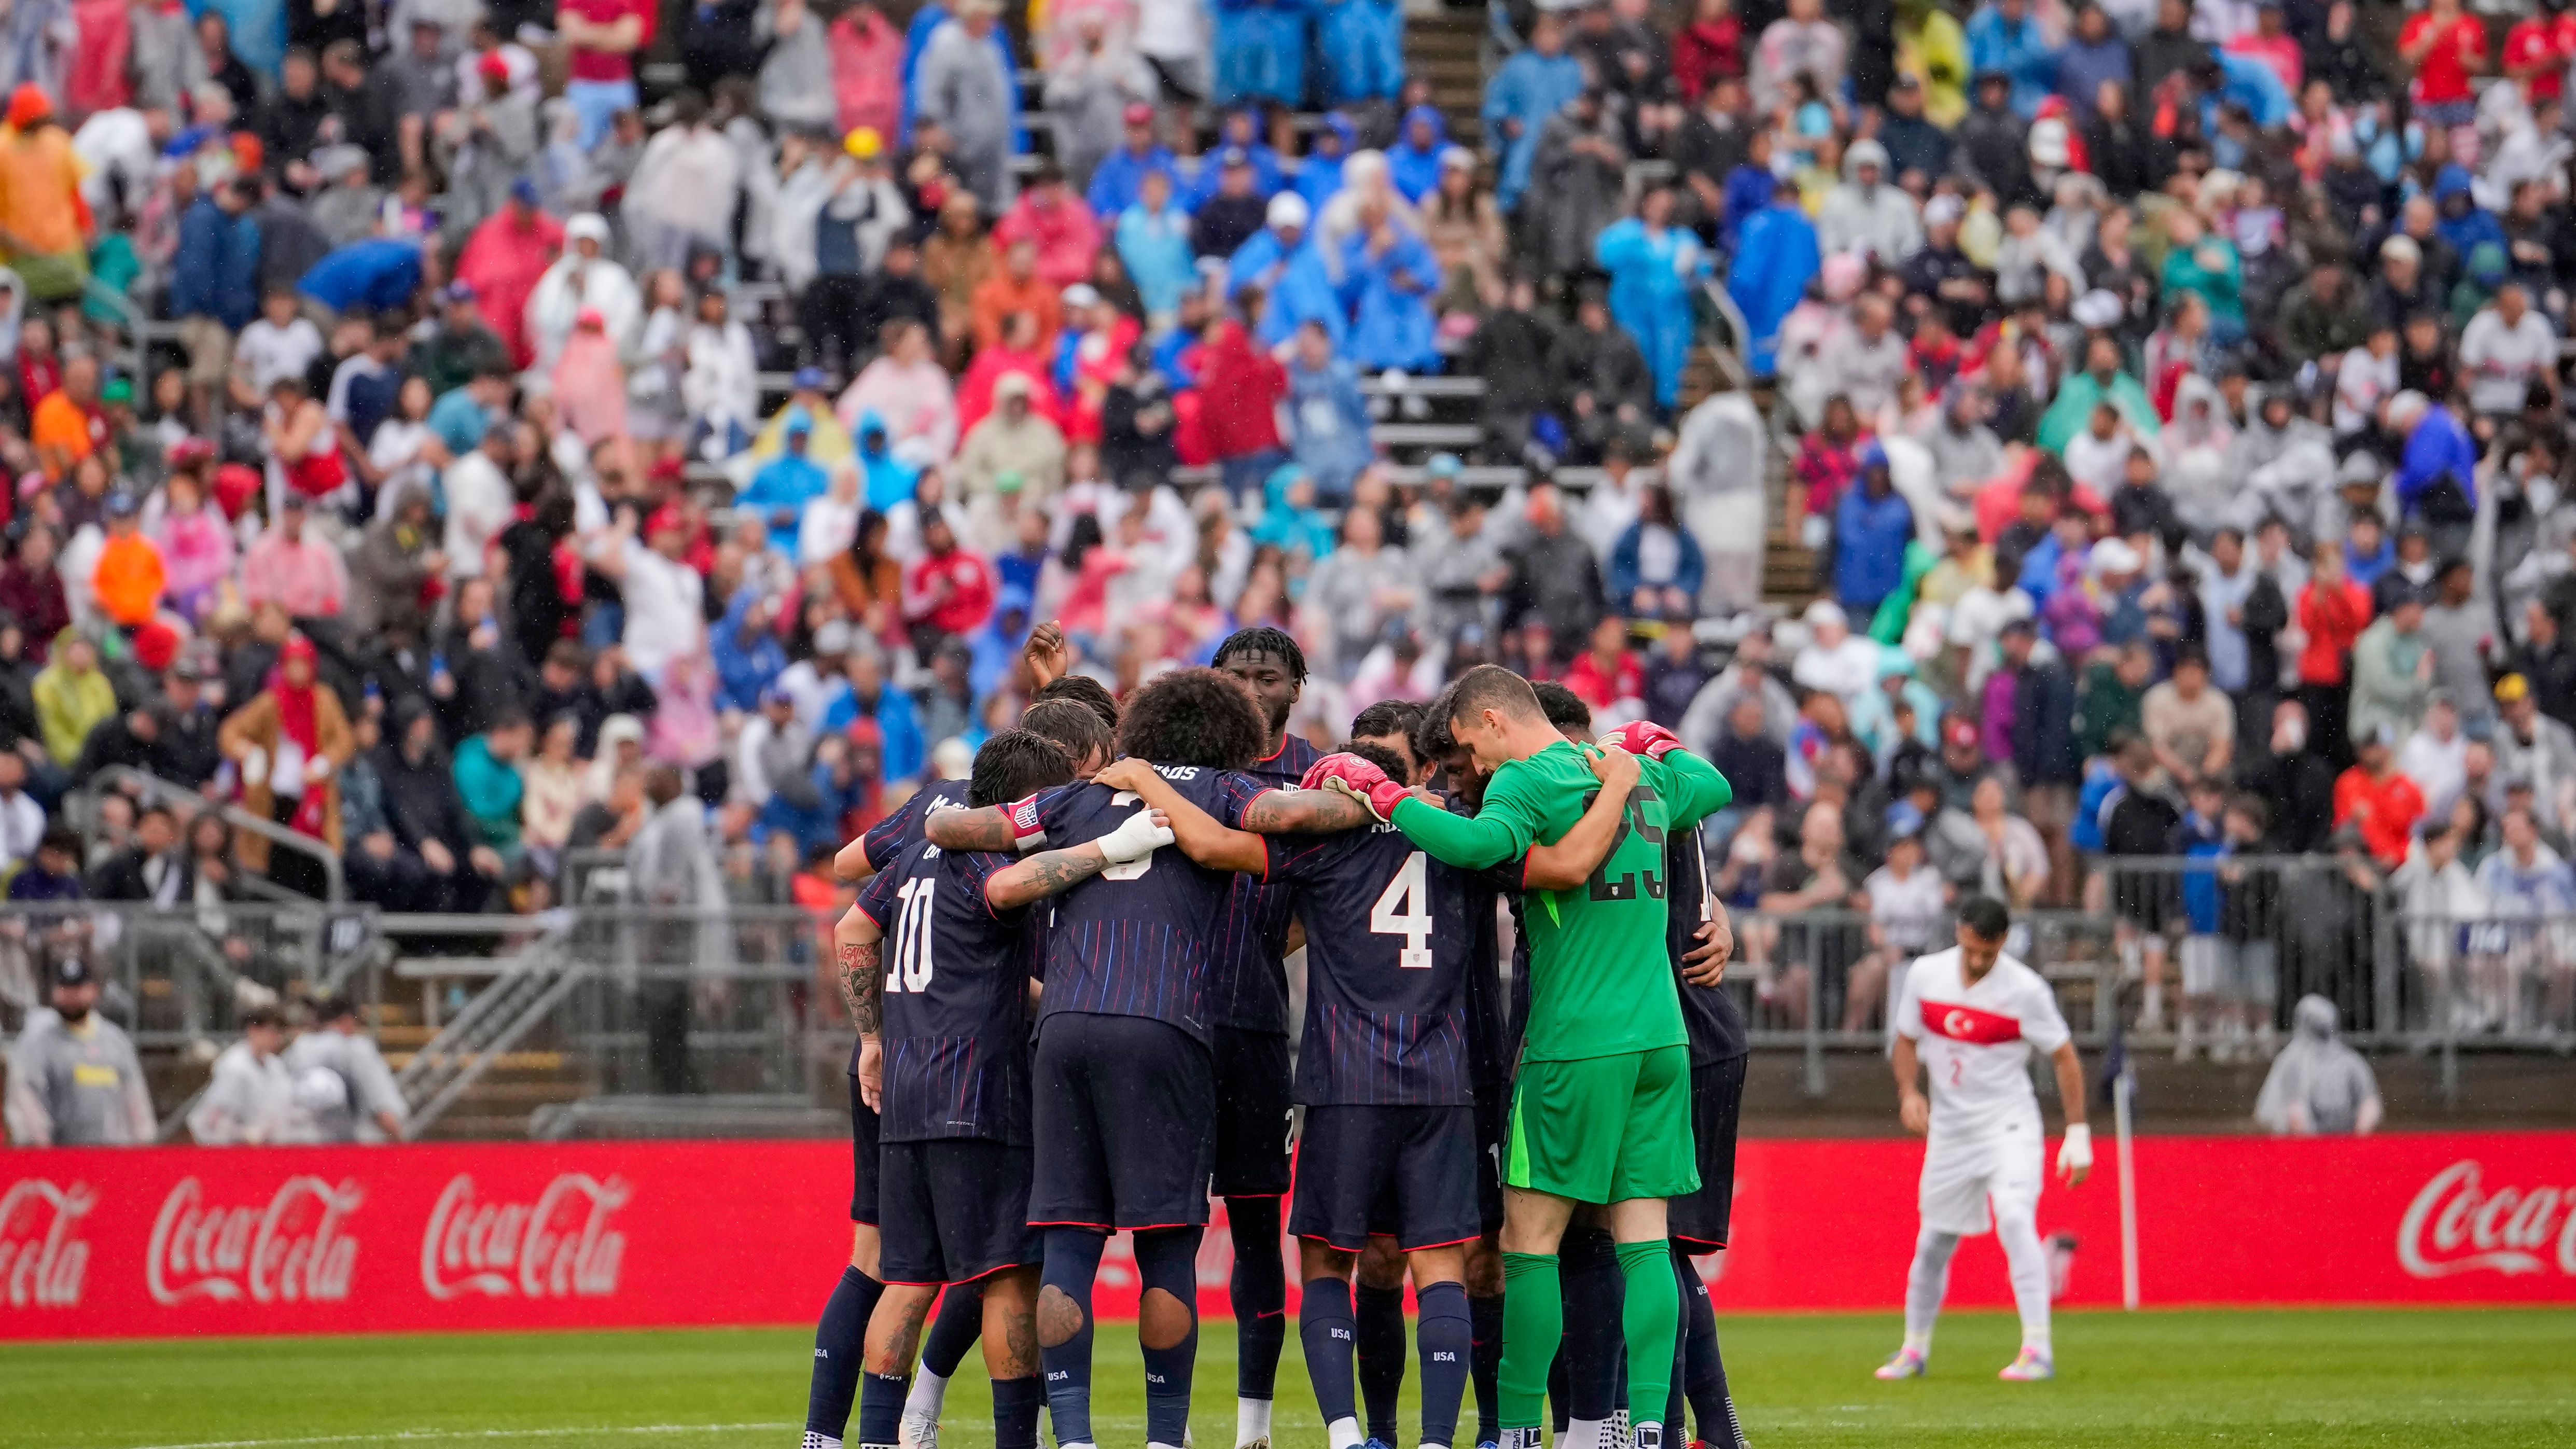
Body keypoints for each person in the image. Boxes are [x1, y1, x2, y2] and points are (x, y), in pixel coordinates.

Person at [920, 670, 1369, 1449]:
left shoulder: (1076, 798)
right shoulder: (1226, 792)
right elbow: (1300, 812)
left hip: (1061, 1026)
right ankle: (1166, 1437)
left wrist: (939, 814)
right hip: (1165, 1027)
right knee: (1165, 1243)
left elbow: (958, 832)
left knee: (1067, 1240)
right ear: (1230, 735)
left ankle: (1076, 1438)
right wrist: (1371, 792)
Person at [1324, 671, 1733, 1449]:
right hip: (1660, 1039)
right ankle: (1649, 1427)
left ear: (1490, 718)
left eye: (1471, 747)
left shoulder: (1526, 776)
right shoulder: (1631, 771)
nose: (1472, 767)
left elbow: (1478, 844)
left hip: (1574, 1043)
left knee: (1529, 1243)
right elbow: (1708, 784)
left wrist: (1385, 798)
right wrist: (1644, 743)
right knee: (1644, 1239)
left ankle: (1514, 1429)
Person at [843, 731, 1143, 1449]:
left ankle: (880, 1438)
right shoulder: (995, 852)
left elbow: (852, 925)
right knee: (1008, 1275)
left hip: (909, 1091)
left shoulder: (916, 851)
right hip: (975, 1091)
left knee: (907, 1281)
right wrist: (1110, 848)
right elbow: (1006, 891)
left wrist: (874, 1037)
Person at [1878, 896, 2090, 1383]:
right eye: (1971, 950)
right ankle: (1914, 1349)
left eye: (1988, 954)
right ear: (1959, 933)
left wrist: (2077, 1133)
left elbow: (2064, 1056)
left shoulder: (2025, 990)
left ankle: (2037, 1349)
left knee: (2015, 1218)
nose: (1977, 961)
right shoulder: (1925, 976)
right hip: (1950, 1131)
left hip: (2008, 1125)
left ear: (2004, 943)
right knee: (1933, 1242)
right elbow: (1906, 1040)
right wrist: (1909, 1092)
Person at [4, 952, 154, 1145]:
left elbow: (135, 1099)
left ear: (93, 990)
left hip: (116, 1157)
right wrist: (40, 1150)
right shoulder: (39, 1044)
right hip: (64, 1158)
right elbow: (26, 1102)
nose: (71, 996)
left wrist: (144, 1143)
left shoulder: (115, 1041)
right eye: (65, 988)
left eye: (77, 988)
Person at [2253, 995, 2385, 1135]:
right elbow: (2294, 1113)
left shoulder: (2348, 1061)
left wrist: (2354, 1140)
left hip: (2336, 1144)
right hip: (2310, 1147)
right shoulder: (2293, 1061)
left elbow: (2369, 1104)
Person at [187, 1006, 299, 1145]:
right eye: (272, 1031)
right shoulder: (235, 1065)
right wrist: (244, 1134)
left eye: (280, 1032)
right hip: (233, 1148)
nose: (277, 1038)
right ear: (253, 1030)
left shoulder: (275, 1065)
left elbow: (284, 1106)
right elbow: (214, 1119)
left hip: (266, 1145)